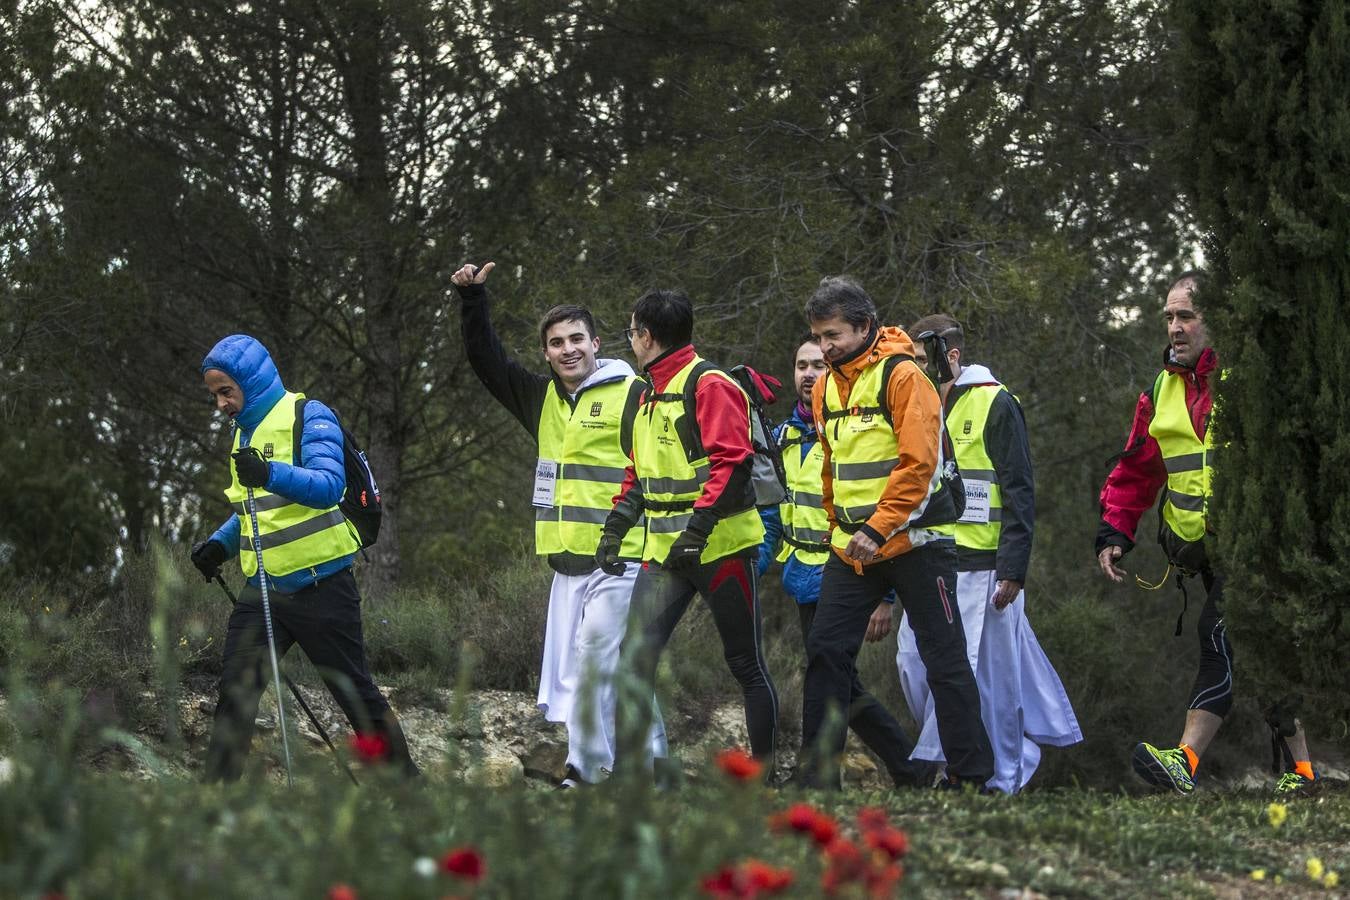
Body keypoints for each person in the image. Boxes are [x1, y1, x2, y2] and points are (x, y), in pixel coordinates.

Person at [1097, 270, 1318, 795]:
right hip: (1204, 552)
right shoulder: (1160, 389)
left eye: (1186, 316)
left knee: (1216, 636)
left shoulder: (1250, 377)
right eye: (1169, 317)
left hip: (1262, 548)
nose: (1174, 327)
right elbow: (1137, 470)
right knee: (1260, 655)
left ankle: (1185, 759)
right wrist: (1114, 532)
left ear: (1214, 321)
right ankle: (1302, 772)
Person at [451, 261, 667, 787]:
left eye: (577, 339)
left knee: (596, 659)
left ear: (596, 343)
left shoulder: (633, 393)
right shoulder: (541, 399)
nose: (568, 349)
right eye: (556, 343)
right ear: (546, 352)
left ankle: (590, 771)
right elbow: (488, 362)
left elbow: (658, 469)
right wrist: (473, 301)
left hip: (622, 558)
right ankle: (655, 765)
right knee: (585, 670)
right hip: (566, 563)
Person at [190, 334, 419, 781]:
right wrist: (219, 542)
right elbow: (252, 508)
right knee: (235, 694)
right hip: (263, 590)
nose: (221, 404)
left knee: (355, 696)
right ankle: (217, 802)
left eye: (226, 391)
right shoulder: (243, 433)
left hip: (322, 588)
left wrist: (270, 472)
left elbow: (328, 485)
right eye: (215, 394)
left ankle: (409, 793)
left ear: (251, 383)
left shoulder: (308, 415)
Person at [797, 276, 993, 790]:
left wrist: (877, 527)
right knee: (826, 650)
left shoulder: (905, 377)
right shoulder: (825, 386)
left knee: (943, 658)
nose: (824, 347)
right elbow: (831, 465)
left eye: (833, 335)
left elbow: (919, 465)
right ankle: (816, 776)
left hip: (915, 544)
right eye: (818, 336)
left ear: (865, 326)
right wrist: (838, 526)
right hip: (853, 548)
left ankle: (971, 778)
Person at [896, 314, 1081, 794]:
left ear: (950, 356)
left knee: (995, 684)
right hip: (930, 561)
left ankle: (1001, 779)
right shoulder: (913, 404)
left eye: (921, 360)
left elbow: (1019, 489)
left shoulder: (996, 402)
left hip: (988, 570)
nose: (914, 369)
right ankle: (958, 760)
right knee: (912, 663)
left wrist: (1014, 569)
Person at [602, 289, 779, 772]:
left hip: (721, 547)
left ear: (647, 336)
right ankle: (628, 777)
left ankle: (762, 777)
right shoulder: (646, 392)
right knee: (633, 659)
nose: (631, 340)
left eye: (631, 331)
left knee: (745, 664)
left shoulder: (709, 384)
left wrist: (697, 532)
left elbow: (732, 464)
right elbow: (639, 474)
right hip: (663, 553)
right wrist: (614, 530)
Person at [758, 337, 925, 786]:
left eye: (817, 364)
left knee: (831, 677)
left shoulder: (855, 427)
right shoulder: (784, 437)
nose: (808, 373)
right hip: (803, 575)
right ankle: (904, 770)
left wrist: (884, 596)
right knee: (838, 681)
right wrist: (747, 568)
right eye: (800, 365)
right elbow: (773, 515)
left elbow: (884, 503)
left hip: (850, 572)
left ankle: (827, 775)